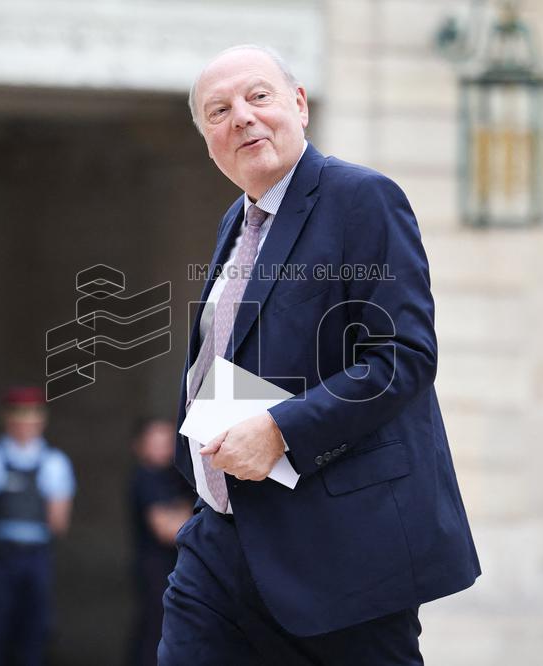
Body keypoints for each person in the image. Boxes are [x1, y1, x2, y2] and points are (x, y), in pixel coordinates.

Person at [160, 45, 481, 665]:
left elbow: (402, 356)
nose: (243, 118)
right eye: (219, 111)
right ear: (209, 143)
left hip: (341, 552)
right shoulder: (237, 218)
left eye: (259, 97)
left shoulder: (363, 198)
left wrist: (280, 430)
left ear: (299, 104)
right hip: (221, 539)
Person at [0, 386, 76, 666]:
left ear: (41, 420)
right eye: (19, 416)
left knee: (33, 632)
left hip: (36, 556)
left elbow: (59, 522)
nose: (25, 424)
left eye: (31, 417)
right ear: (8, 419)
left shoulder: (54, 463)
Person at [126, 418, 195, 666]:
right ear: (139, 446)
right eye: (155, 442)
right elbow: (166, 529)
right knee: (156, 629)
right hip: (155, 566)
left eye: (167, 442)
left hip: (175, 566)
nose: (163, 448)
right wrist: (195, 518)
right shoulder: (146, 477)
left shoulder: (177, 477)